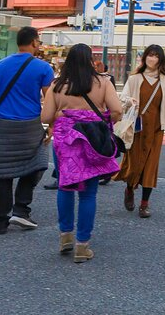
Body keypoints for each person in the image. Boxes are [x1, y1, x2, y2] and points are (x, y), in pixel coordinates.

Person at [41, 44, 123, 263]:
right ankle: (82, 246)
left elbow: (45, 117)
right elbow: (117, 110)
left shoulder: (57, 84)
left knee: (65, 187)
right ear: (90, 60)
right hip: (92, 139)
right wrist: (103, 119)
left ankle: (65, 237)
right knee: (88, 194)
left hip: (65, 141)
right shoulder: (102, 82)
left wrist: (63, 114)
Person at [0, 27, 54, 234]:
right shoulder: (43, 68)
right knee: (37, 163)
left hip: (1, 126)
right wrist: (52, 125)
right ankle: (21, 209)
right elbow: (49, 100)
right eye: (39, 42)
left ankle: (0, 220)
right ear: (34, 42)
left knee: (2, 171)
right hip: (29, 126)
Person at [113, 45, 165, 218]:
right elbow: (122, 99)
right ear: (144, 58)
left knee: (151, 167)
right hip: (136, 130)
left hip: (156, 130)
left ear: (161, 60)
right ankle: (129, 189)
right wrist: (129, 101)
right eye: (149, 55)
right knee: (133, 164)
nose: (152, 59)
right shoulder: (135, 79)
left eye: (156, 56)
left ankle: (144, 204)